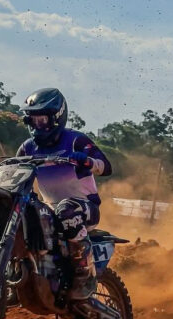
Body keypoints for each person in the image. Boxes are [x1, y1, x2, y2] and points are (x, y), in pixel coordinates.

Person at [16, 88, 112, 301]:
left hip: (85, 207)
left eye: (42, 119)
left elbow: (106, 167)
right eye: (33, 120)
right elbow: (16, 175)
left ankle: (83, 272)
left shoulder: (75, 140)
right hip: (49, 209)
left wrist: (88, 161)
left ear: (56, 118)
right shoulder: (27, 148)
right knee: (16, 212)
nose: (37, 125)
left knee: (66, 211)